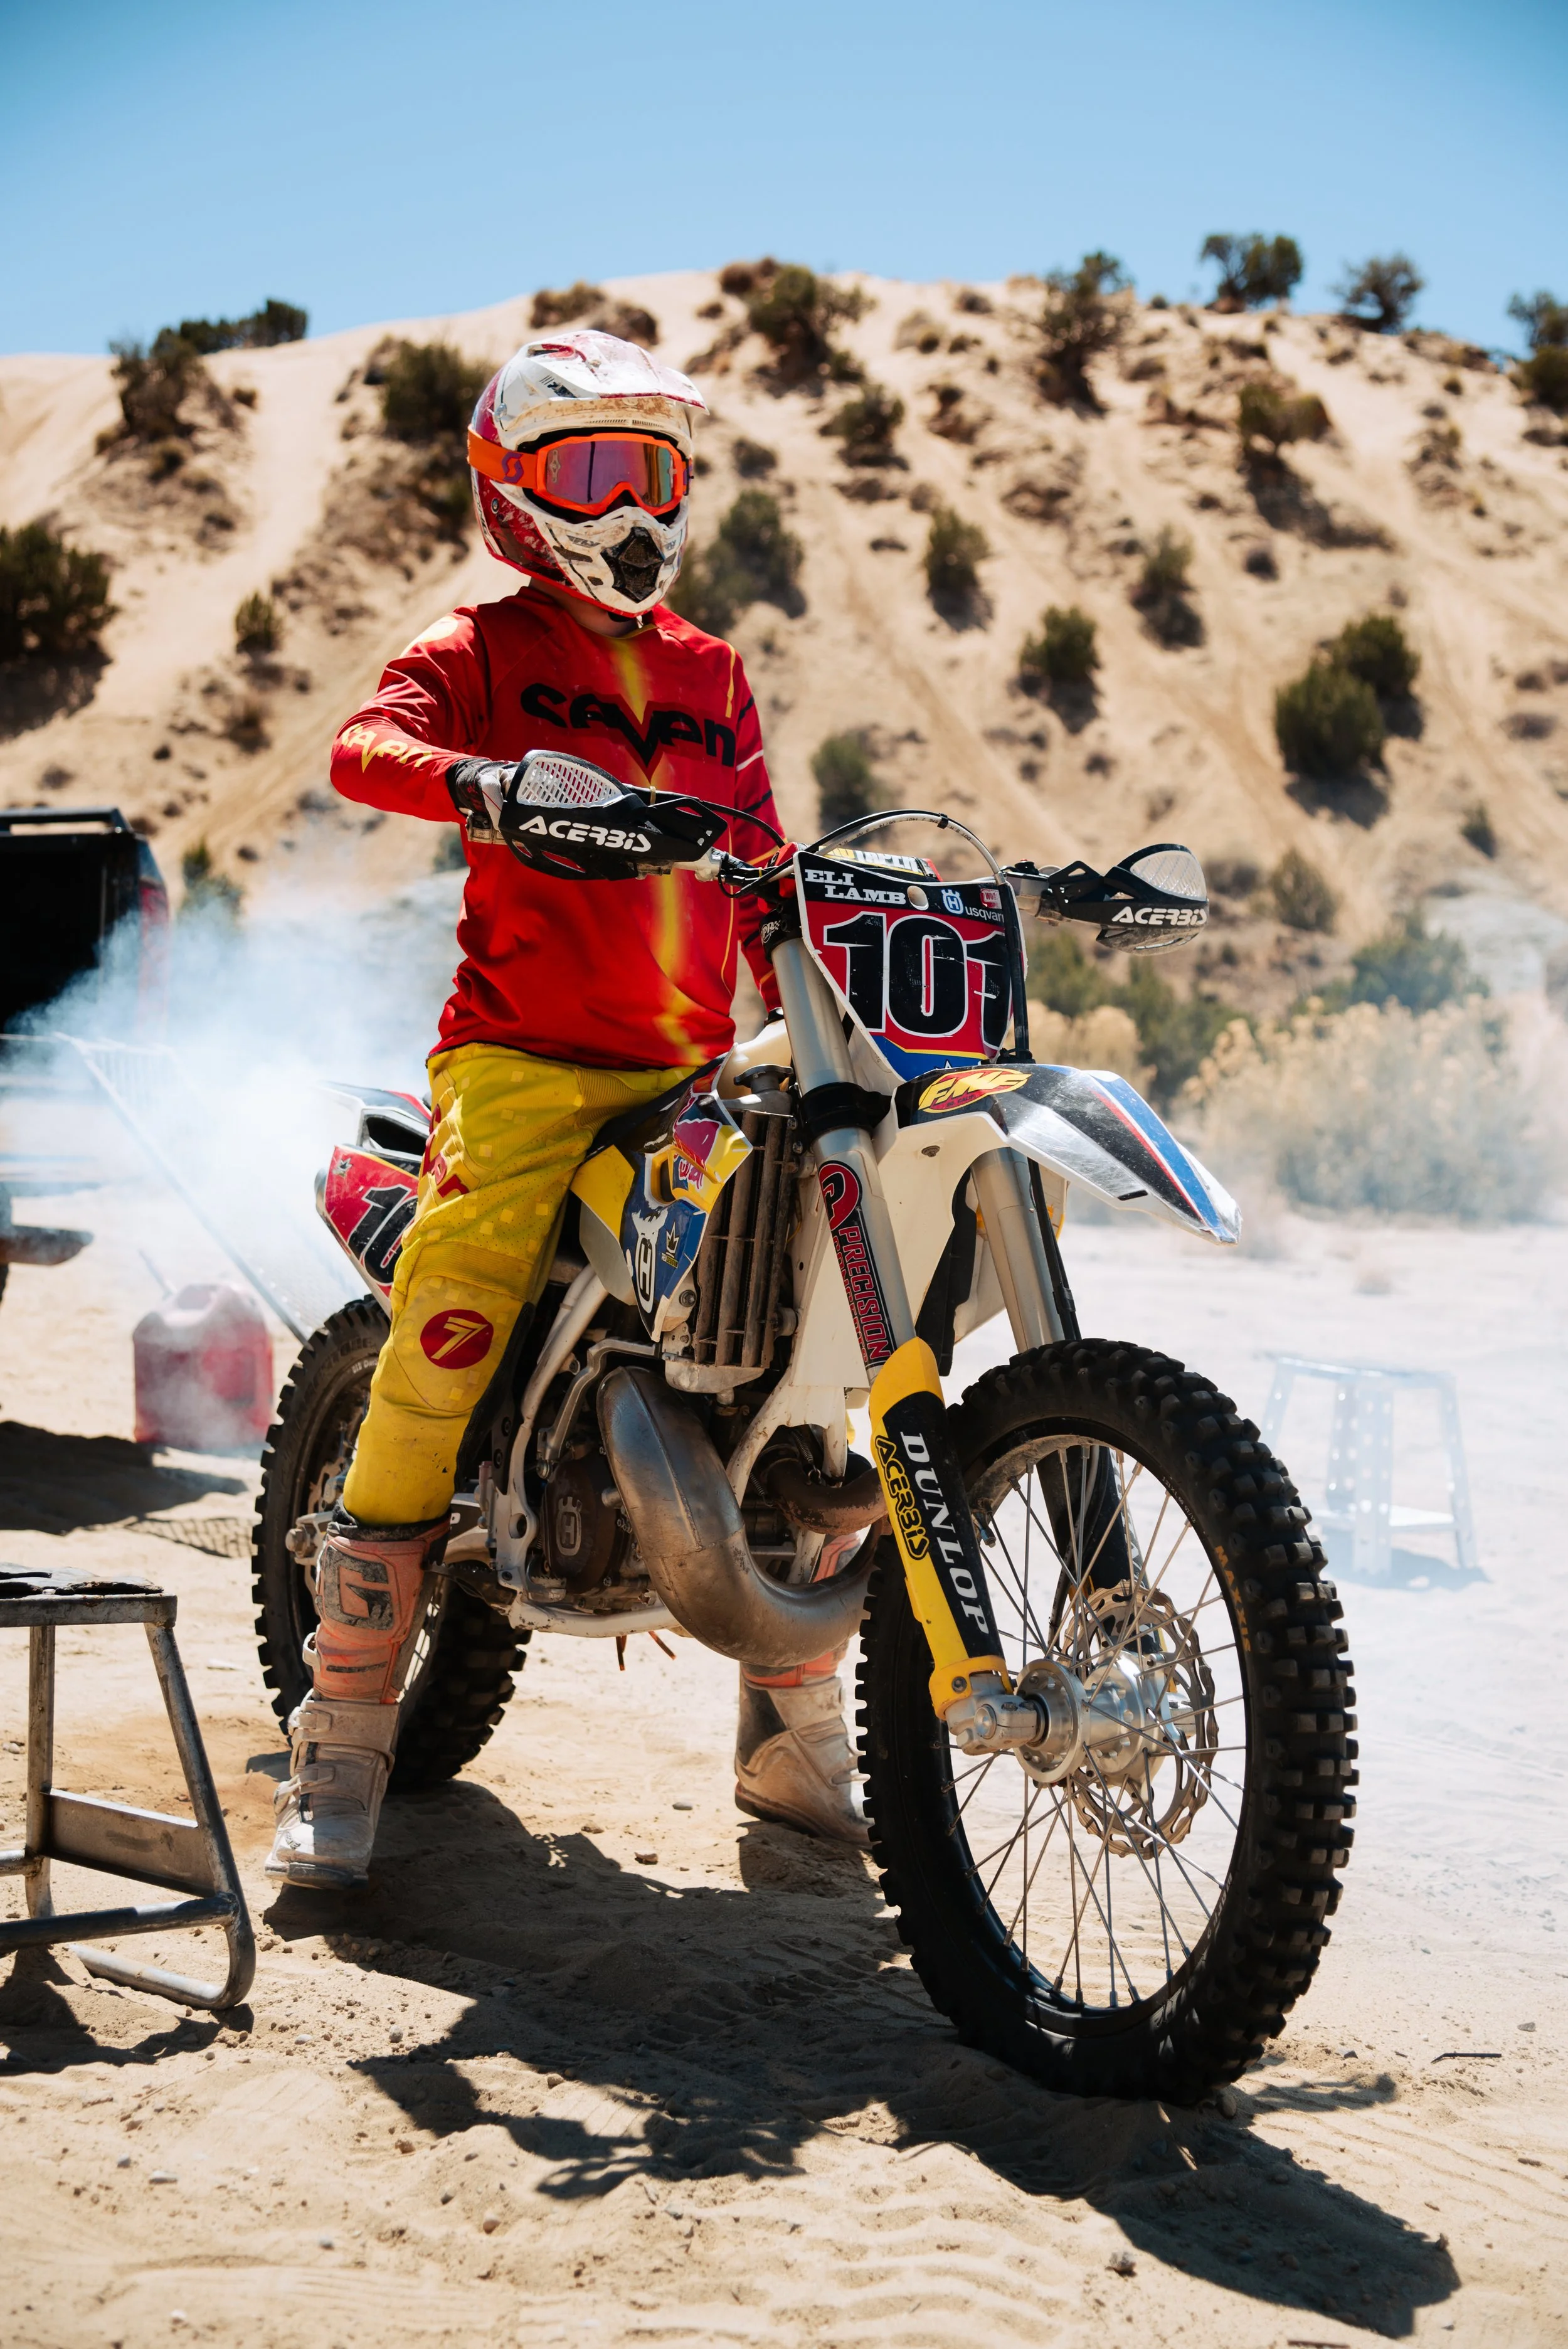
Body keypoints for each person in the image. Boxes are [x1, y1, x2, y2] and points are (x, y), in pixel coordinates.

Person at [267, 327, 864, 1892]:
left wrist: (802, 946)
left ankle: (793, 1727)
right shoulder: (479, 642)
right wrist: (488, 782)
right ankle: (340, 1735)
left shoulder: (708, 670)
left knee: (796, 1334)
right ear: (513, 492)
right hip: (520, 1061)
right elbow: (361, 747)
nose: (636, 504)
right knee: (453, 1311)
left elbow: (756, 858)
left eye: (652, 469)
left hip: (688, 1069)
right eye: (596, 469)